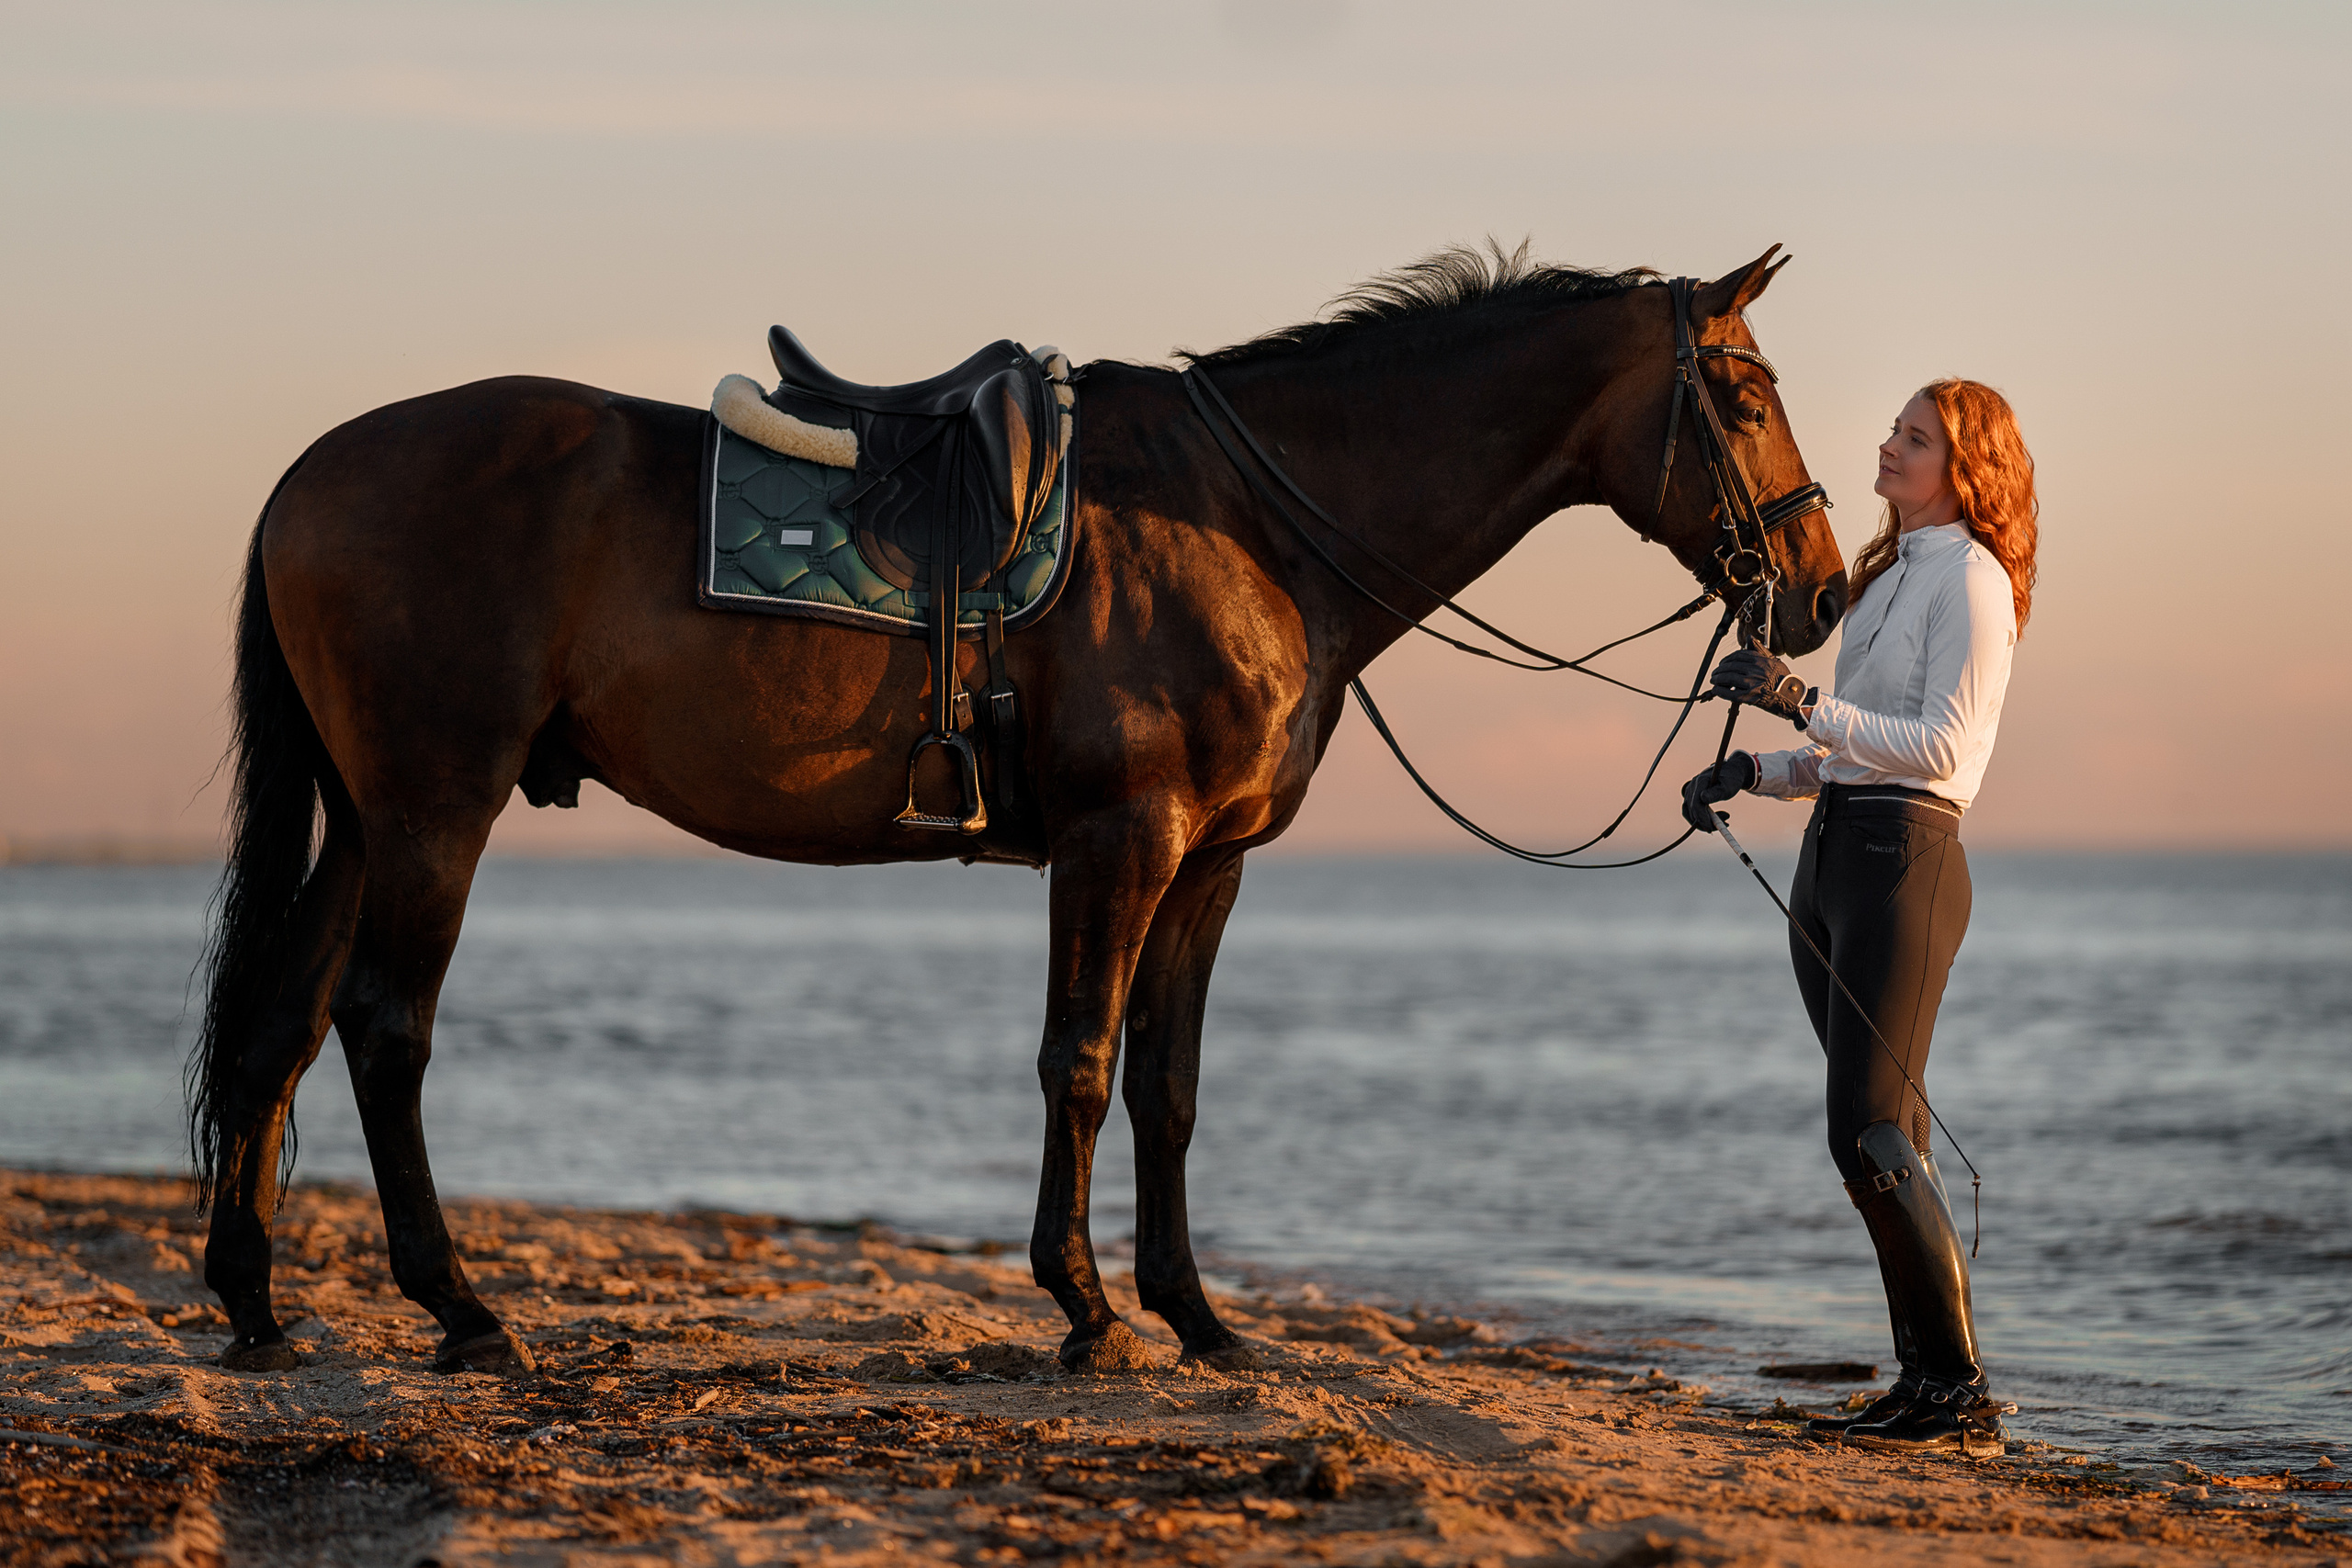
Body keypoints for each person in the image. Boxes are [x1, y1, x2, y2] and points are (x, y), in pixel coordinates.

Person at [1679, 378, 2039, 1458]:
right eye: (1895, 429)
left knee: (1867, 1132)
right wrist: (1757, 765)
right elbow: (1852, 744)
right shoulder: (1886, 578)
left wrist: (1798, 701)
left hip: (1905, 862)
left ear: (1964, 468)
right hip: (1834, 854)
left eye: (1914, 438)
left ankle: (1954, 1389)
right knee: (1889, 1137)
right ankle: (1922, 1382)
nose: (1888, 446)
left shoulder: (1971, 581)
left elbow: (1942, 751)